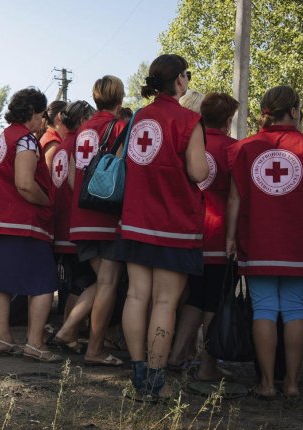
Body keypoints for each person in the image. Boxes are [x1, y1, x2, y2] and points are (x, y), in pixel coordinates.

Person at [114, 54, 208, 399]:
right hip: (174, 223)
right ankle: (156, 381)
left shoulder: (138, 118)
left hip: (136, 219)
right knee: (165, 302)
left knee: (136, 295)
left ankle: (138, 378)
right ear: (181, 80)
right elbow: (199, 172)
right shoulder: (188, 119)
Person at [226, 85, 303, 398]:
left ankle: (267, 384)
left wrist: (230, 237)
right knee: (295, 309)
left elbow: (234, 198)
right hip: (300, 240)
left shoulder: (245, 148)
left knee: (264, 309)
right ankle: (293, 384)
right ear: (294, 110)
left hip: (258, 240)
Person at [0, 87, 62, 363]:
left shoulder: (0, 138)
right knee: (42, 283)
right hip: (23, 223)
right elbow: (25, 184)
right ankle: (35, 343)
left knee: (0, 283)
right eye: (41, 115)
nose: (43, 122)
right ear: (32, 113)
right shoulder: (26, 141)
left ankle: (3, 338)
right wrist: (46, 202)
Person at [167, 93, 239, 382]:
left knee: (195, 299)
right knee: (215, 303)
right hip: (220, 235)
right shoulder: (234, 149)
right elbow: (237, 197)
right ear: (228, 119)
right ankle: (207, 366)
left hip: (191, 232)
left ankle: (174, 355)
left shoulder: (189, 143)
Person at [66, 75, 129, 366]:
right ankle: (94, 349)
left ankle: (68, 331)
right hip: (107, 218)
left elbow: (70, 175)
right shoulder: (118, 127)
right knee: (109, 283)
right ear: (120, 96)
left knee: (101, 281)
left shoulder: (84, 129)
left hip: (81, 216)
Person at [47, 100, 97, 353]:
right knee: (84, 282)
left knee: (74, 283)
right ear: (81, 120)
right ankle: (69, 331)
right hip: (73, 224)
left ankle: (69, 332)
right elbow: (74, 182)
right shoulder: (80, 143)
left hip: (59, 223)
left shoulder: (60, 145)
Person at [40, 100, 69, 169]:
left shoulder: (51, 137)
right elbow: (47, 178)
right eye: (70, 115)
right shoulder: (53, 144)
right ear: (60, 116)